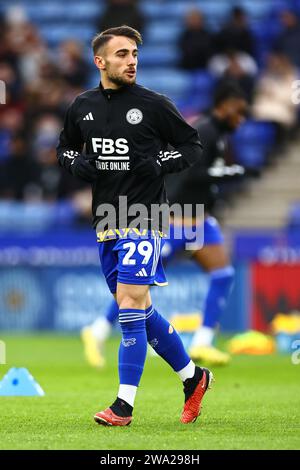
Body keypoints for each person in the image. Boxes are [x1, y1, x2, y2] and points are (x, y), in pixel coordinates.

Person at [57, 26, 213, 427]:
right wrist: (76, 164)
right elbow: (66, 148)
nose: (131, 61)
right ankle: (194, 378)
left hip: (145, 215)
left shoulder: (154, 104)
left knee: (128, 302)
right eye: (122, 54)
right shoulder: (82, 106)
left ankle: (123, 405)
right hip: (106, 219)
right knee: (139, 310)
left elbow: (192, 144)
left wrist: (159, 163)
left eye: (134, 54)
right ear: (100, 61)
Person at [82, 83, 249, 368]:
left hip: (200, 220)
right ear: (223, 105)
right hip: (177, 219)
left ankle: (202, 342)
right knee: (139, 284)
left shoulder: (218, 134)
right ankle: (97, 329)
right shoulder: (206, 130)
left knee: (222, 274)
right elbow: (190, 174)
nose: (241, 118)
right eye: (239, 111)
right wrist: (231, 173)